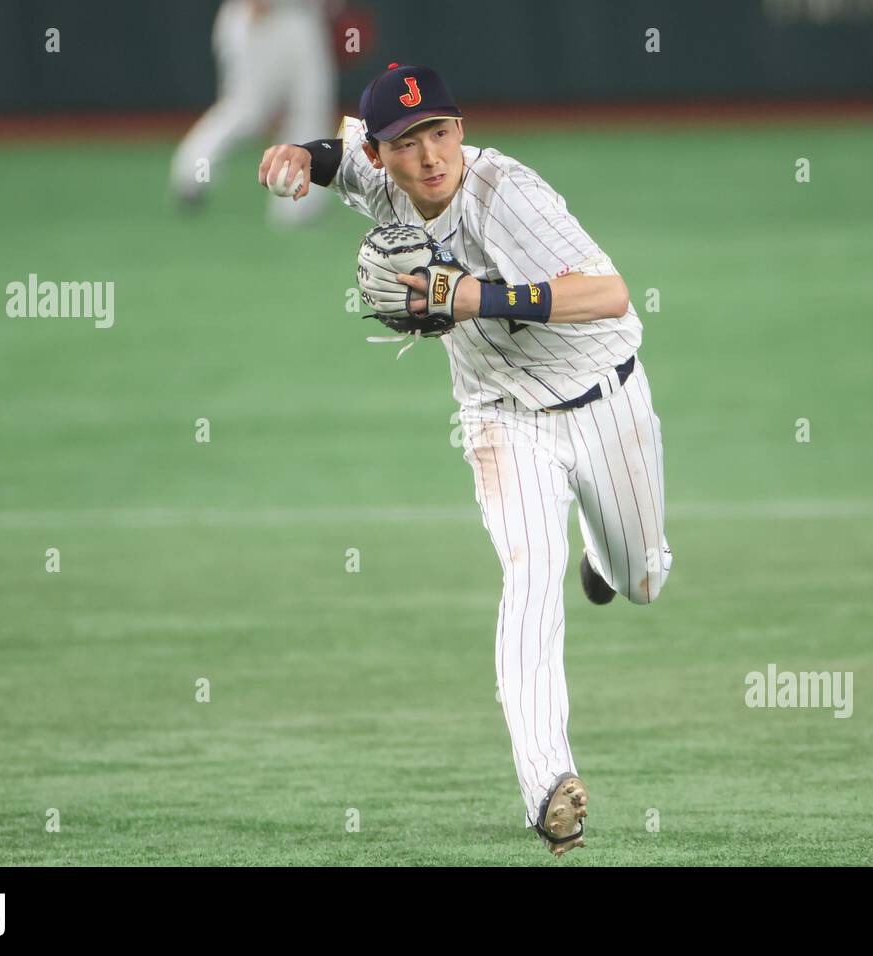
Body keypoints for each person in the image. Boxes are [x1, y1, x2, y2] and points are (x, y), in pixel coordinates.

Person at [258, 63, 672, 857]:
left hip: (606, 396)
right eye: (407, 142)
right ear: (382, 155)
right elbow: (337, 158)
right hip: (501, 420)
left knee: (643, 579)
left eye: (440, 133)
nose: (430, 156)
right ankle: (549, 786)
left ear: (460, 129)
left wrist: (475, 295)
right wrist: (298, 157)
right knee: (529, 573)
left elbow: (610, 294)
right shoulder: (381, 178)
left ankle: (607, 558)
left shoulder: (508, 194)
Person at [172, 0, 336, 226]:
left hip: (302, 17)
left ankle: (298, 203)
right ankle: (192, 173)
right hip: (263, 18)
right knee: (246, 111)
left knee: (310, 108)